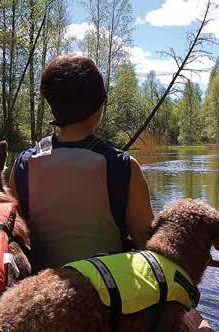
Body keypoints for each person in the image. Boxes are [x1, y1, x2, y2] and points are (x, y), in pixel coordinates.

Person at [9, 54, 154, 268]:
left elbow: (19, 240)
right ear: (100, 104)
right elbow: (148, 246)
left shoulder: (23, 165)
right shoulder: (124, 166)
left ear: (52, 104)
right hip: (107, 295)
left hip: (41, 295)